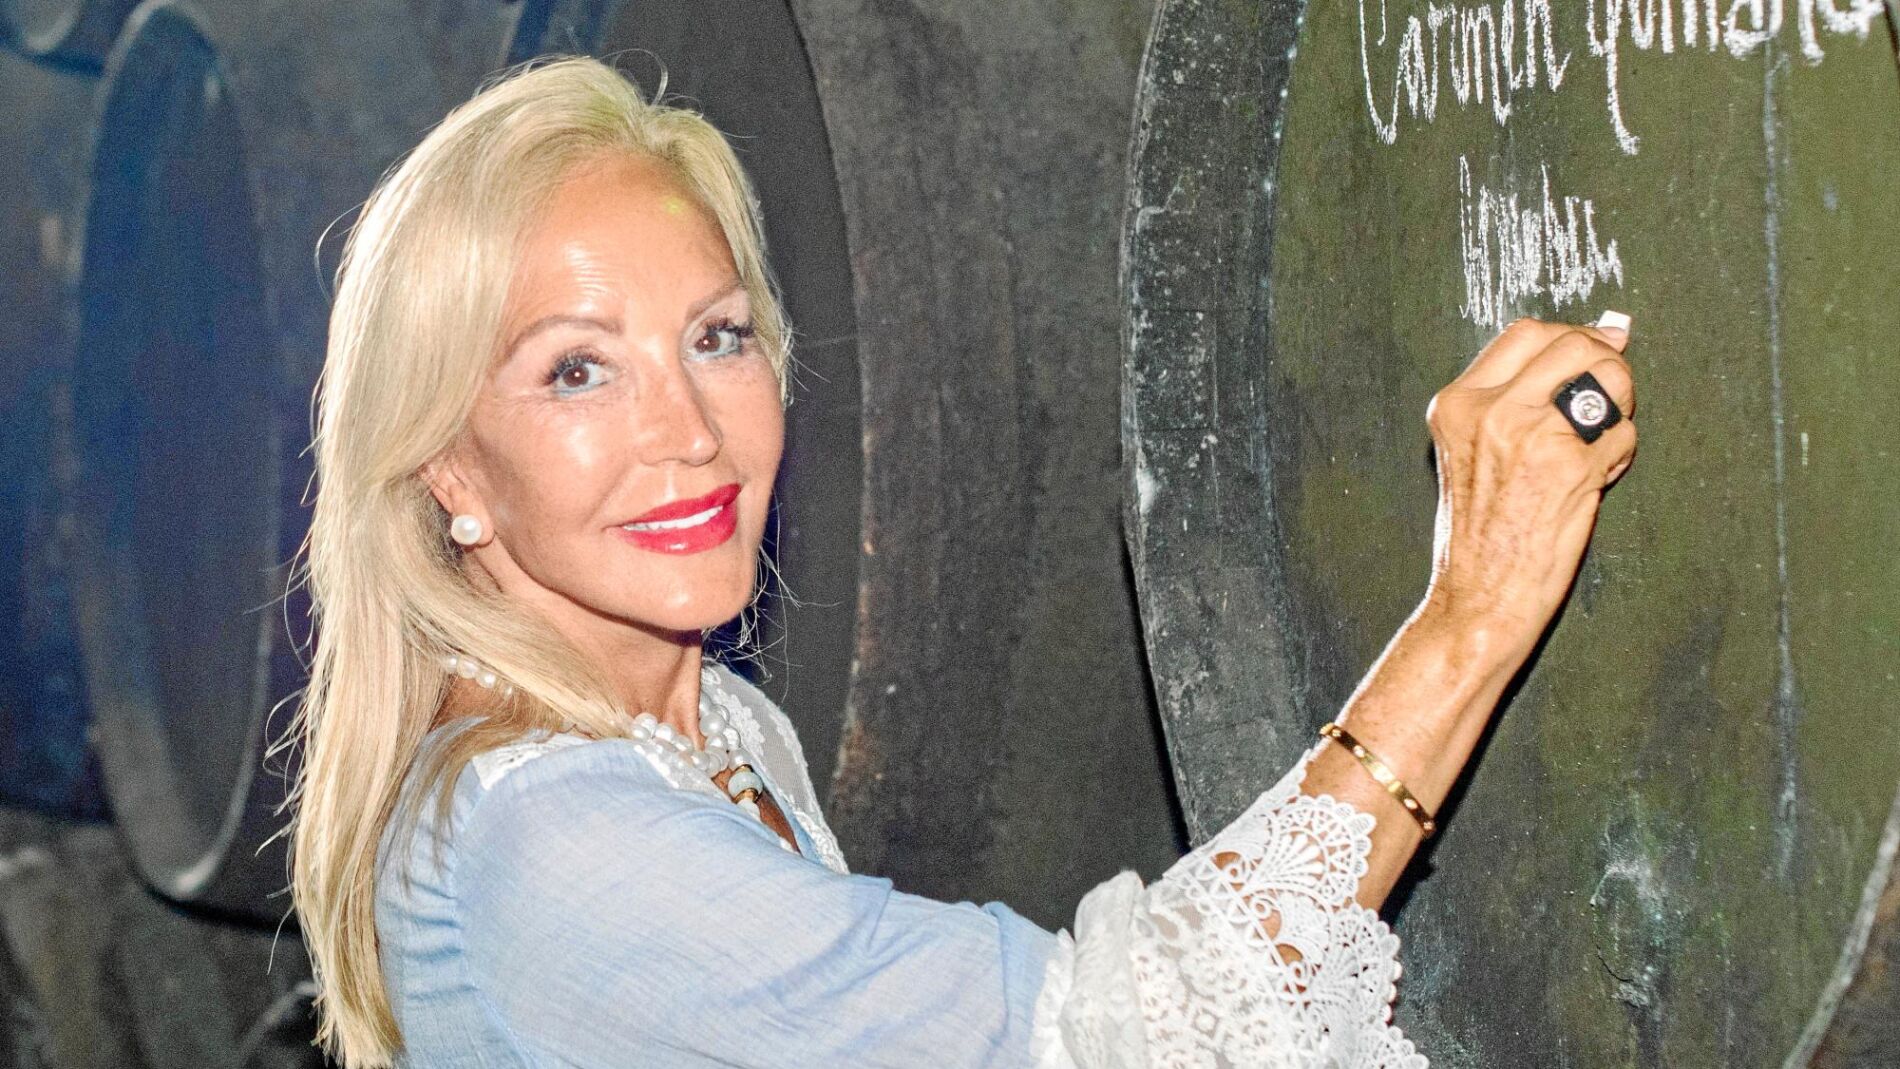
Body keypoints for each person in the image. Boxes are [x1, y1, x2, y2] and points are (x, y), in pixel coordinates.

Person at [284, 55, 1637, 1069]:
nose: (688, 432)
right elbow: (1129, 1037)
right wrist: (1471, 616)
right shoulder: (551, 838)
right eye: (577, 370)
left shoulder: (713, 726)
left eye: (716, 337)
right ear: (448, 467)